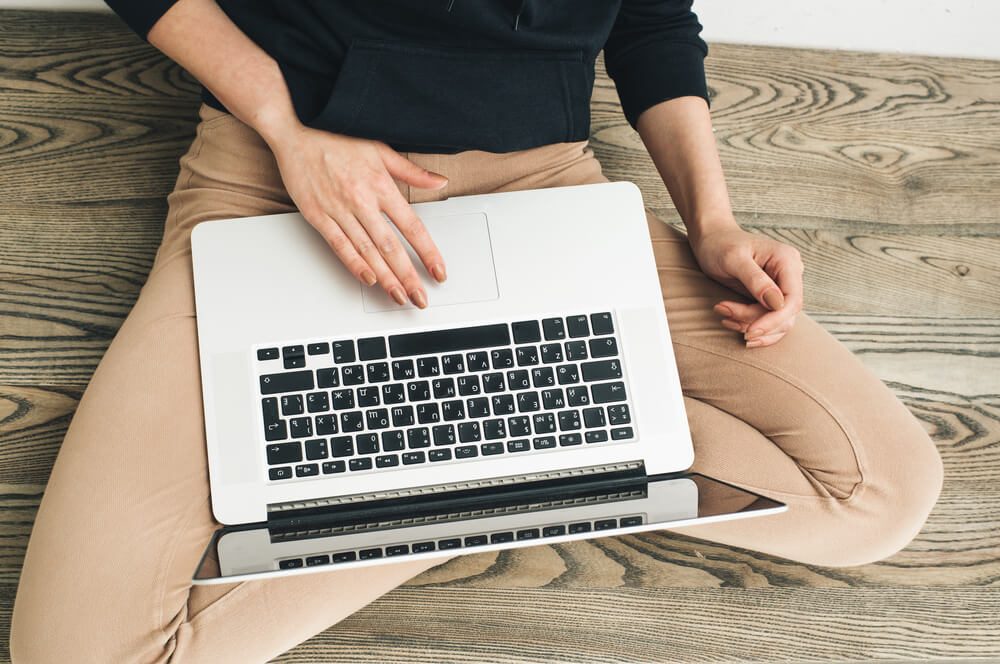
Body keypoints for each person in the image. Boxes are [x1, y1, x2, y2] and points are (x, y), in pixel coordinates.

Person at [10, 1, 943, 661]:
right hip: (288, 173)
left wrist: (714, 222)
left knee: (885, 494)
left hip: (543, 190)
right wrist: (288, 134)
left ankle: (493, 451)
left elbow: (653, 21)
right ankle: (516, 456)